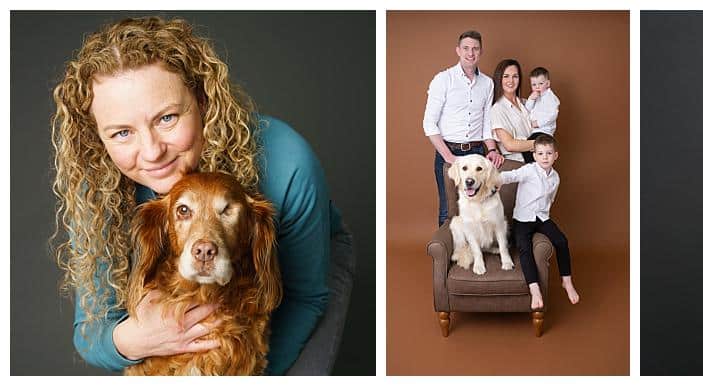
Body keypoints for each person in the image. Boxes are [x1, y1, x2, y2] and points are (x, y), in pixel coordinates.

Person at [50, 16, 352, 375]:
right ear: (97, 138)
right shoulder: (97, 190)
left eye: (167, 118)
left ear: (203, 101)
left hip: (300, 282)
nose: (151, 152)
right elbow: (93, 332)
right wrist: (139, 339)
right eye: (121, 133)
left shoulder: (287, 161)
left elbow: (306, 297)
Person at [424, 30, 505, 226]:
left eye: (475, 48)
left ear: (481, 52)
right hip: (448, 151)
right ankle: (448, 256)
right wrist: (449, 157)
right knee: (448, 209)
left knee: (478, 209)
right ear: (458, 50)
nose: (471, 53)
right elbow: (429, 123)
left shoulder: (487, 84)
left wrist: (492, 149)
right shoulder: (443, 79)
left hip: (477, 152)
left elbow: (486, 122)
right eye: (466, 48)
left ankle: (474, 253)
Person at [498, 135, 580, 310]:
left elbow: (551, 199)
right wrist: (495, 180)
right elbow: (510, 176)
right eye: (541, 153)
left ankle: (567, 281)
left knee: (561, 241)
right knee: (524, 247)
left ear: (555, 155)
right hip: (523, 218)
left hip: (542, 217)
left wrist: (545, 214)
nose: (545, 157)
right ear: (534, 155)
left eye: (549, 153)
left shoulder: (555, 178)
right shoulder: (529, 170)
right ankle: (534, 288)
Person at [489, 58, 538, 163]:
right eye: (506, 76)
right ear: (499, 79)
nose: (511, 81)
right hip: (518, 165)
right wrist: (542, 144)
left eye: (515, 76)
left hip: (538, 161)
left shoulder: (526, 103)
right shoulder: (497, 109)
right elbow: (509, 145)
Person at [525, 66, 560, 137]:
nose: (537, 87)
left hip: (544, 131)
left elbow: (552, 114)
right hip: (533, 130)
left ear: (547, 84)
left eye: (540, 84)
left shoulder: (550, 97)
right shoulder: (534, 96)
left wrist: (538, 123)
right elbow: (526, 110)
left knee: (534, 145)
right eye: (534, 84)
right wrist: (531, 99)